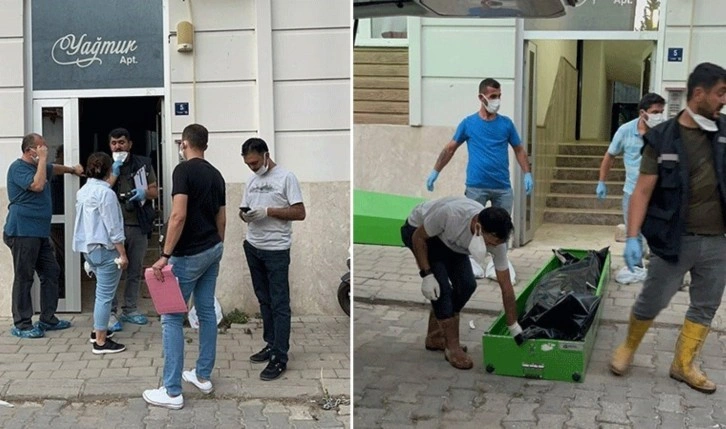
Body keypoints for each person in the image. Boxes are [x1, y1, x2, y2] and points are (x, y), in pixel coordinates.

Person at [611, 62, 726, 394]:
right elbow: (642, 191)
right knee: (653, 299)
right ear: (699, 94)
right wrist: (633, 236)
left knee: (706, 304)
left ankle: (683, 364)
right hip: (674, 240)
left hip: (717, 241)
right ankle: (628, 346)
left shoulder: (724, 132)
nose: (723, 101)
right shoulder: (663, 138)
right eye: (720, 93)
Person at [142, 124, 226, 409]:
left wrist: (165, 254)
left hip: (188, 255)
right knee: (205, 312)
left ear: (184, 144)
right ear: (205, 145)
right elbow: (222, 218)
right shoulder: (216, 175)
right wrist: (217, 248)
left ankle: (172, 391)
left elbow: (178, 216)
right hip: (212, 249)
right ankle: (202, 376)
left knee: (171, 317)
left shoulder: (183, 171)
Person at [401, 196, 521, 370]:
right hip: (420, 233)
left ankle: (435, 337)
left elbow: (506, 286)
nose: (492, 248)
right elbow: (418, 238)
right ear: (478, 228)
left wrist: (513, 325)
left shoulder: (497, 242)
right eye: (490, 243)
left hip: (450, 241)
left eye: (497, 244)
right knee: (442, 291)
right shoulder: (451, 215)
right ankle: (453, 348)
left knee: (467, 285)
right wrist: (426, 275)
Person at [3, 133, 83, 339]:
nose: (45, 150)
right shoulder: (18, 168)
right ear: (29, 150)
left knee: (51, 271)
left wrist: (72, 169)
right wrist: (43, 160)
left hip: (39, 233)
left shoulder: (40, 167)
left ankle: (48, 318)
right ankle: (22, 324)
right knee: (24, 277)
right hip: (22, 232)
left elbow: (54, 169)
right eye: (41, 148)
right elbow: (37, 185)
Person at [240, 137, 306, 381]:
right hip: (253, 246)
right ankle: (271, 343)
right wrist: (246, 216)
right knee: (264, 300)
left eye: (255, 163)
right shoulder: (251, 180)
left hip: (276, 249)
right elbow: (243, 209)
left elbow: (300, 212)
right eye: (248, 164)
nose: (253, 168)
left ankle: (280, 356)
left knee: (279, 303)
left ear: (266, 155)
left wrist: (268, 211)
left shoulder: (286, 177)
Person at [425, 78, 533, 215]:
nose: (497, 100)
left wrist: (527, 173)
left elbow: (519, 150)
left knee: (502, 227)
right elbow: (450, 149)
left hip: (502, 187)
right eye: (493, 96)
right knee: (472, 224)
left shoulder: (506, 124)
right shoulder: (468, 123)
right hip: (476, 187)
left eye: (499, 96)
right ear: (481, 98)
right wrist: (435, 171)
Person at [596, 92, 666, 266]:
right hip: (632, 192)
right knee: (634, 233)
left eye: (661, 112)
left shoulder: (665, 132)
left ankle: (657, 267)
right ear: (643, 113)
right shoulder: (625, 131)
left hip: (658, 193)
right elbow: (610, 156)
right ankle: (636, 267)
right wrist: (602, 181)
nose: (659, 116)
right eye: (655, 112)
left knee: (659, 234)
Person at [73, 152, 129, 354]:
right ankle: (101, 342)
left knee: (101, 294)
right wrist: (123, 254)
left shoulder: (83, 191)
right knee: (105, 297)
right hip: (106, 250)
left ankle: (98, 330)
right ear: (109, 170)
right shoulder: (107, 194)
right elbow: (113, 227)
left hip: (89, 249)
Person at [107, 128, 159, 330]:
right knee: (112, 271)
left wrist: (143, 192)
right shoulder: (105, 164)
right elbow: (100, 189)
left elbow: (154, 191)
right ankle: (110, 311)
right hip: (113, 228)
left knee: (135, 270)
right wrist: (114, 172)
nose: (118, 146)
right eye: (114, 143)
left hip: (137, 224)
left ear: (129, 144)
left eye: (121, 142)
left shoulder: (143, 164)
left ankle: (130, 309)